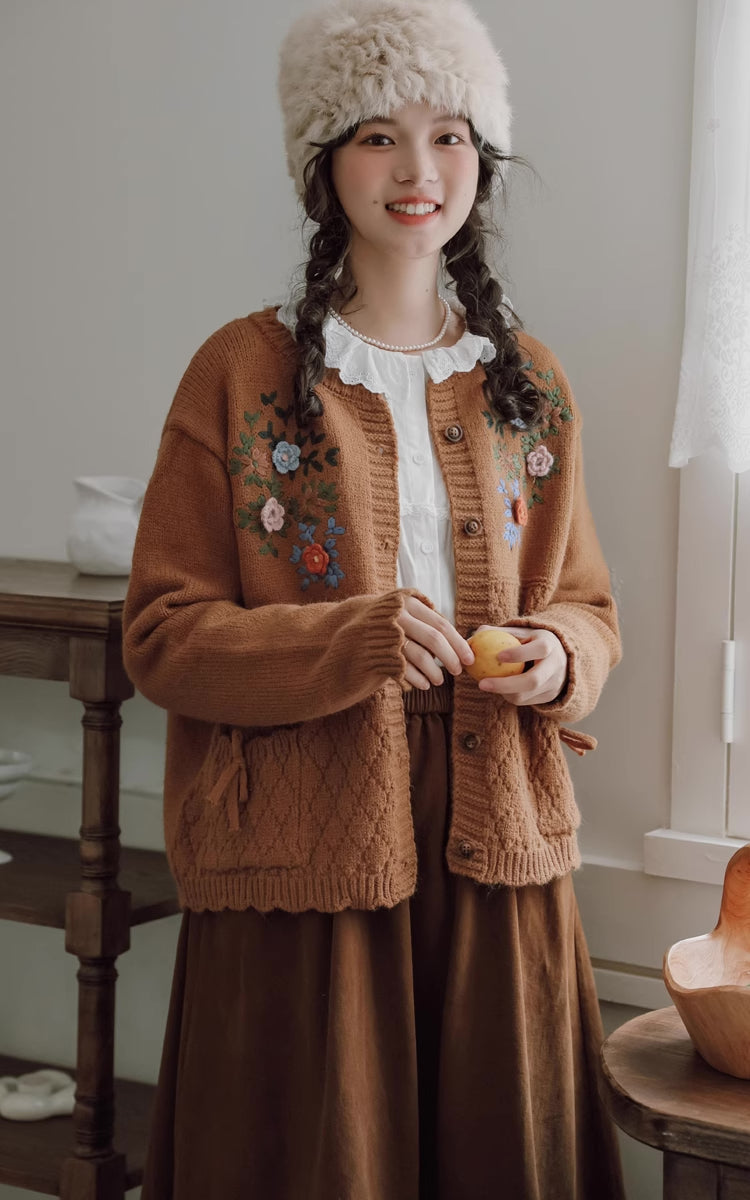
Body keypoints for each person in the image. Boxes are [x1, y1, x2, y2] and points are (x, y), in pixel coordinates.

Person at [123, 0, 625, 1196]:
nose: (417, 171)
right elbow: (163, 636)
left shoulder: (528, 385)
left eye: (450, 135)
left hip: (494, 832)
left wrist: (557, 656)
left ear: (482, 159)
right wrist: (345, 642)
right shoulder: (241, 374)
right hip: (306, 844)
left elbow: (592, 606)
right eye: (376, 136)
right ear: (322, 164)